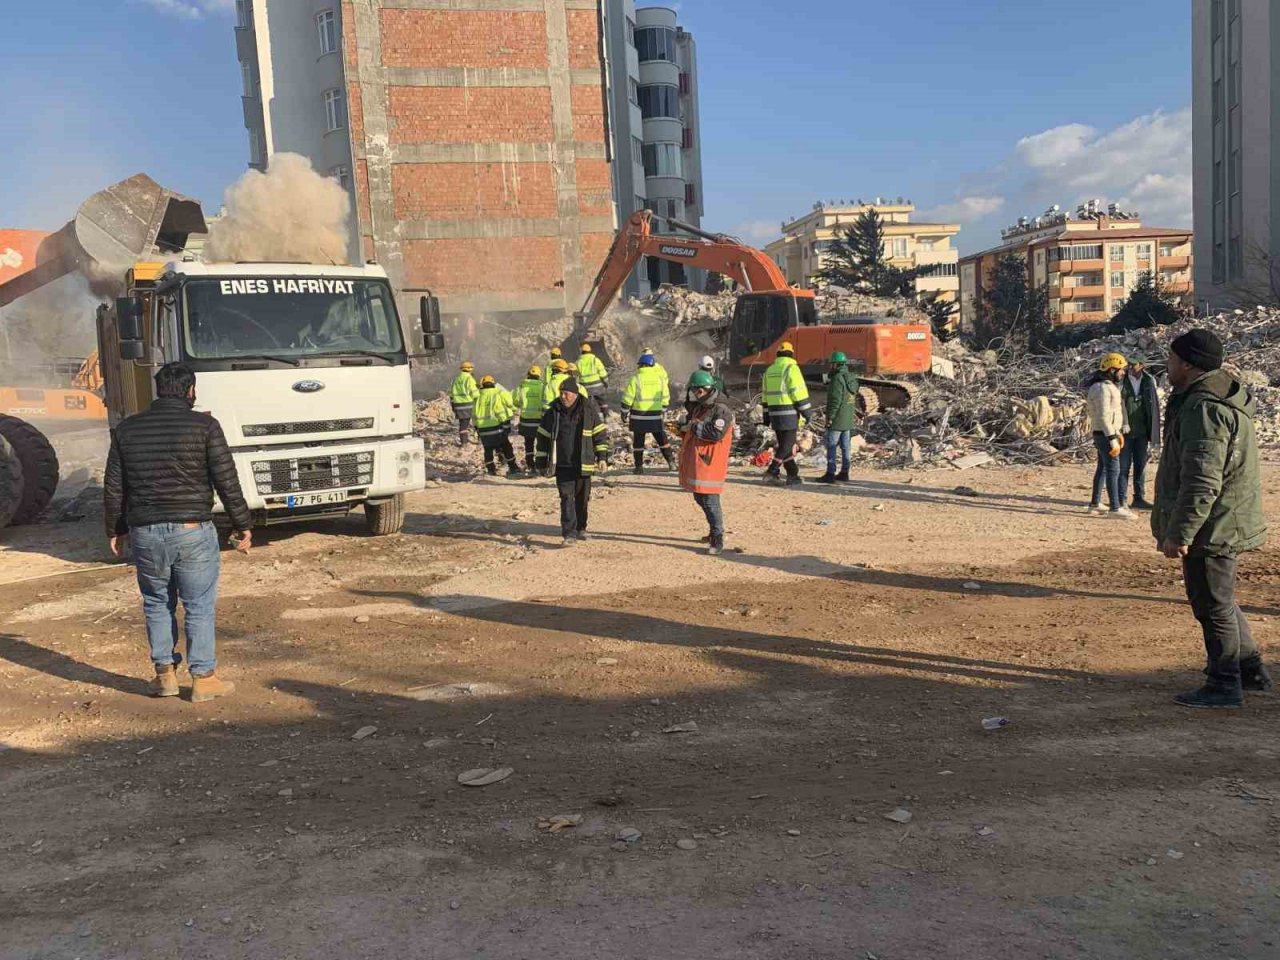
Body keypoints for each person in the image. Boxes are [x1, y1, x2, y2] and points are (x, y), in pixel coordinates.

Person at [103, 363, 251, 703]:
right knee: (198, 605)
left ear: (158, 391)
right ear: (191, 391)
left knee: (157, 603)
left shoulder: (127, 429)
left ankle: (165, 676)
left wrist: (116, 528)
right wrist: (242, 524)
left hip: (145, 533)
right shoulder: (205, 427)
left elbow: (114, 487)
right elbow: (226, 481)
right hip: (192, 530)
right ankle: (203, 679)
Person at [1153, 330, 1270, 709]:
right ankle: (1249, 667)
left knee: (1211, 604)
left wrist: (1180, 532)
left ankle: (1224, 682)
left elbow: (1203, 479)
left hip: (1213, 523)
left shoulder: (1204, 408)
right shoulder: (1209, 398)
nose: (1166, 365)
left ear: (1188, 363)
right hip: (1222, 518)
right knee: (1220, 600)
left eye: (1171, 358)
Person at [534, 378, 611, 546]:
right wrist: (540, 461)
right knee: (566, 498)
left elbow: (599, 434)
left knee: (582, 498)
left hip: (584, 463)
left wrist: (603, 457)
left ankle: (581, 528)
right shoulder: (553, 411)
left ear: (575, 394)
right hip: (562, 464)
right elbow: (542, 436)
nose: (563, 396)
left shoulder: (588, 409)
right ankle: (569, 534)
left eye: (566, 393)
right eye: (561, 393)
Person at [679, 370, 735, 555]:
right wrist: (682, 429)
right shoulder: (700, 407)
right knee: (699, 496)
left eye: (698, 391)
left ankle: (717, 538)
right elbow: (695, 427)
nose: (696, 394)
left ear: (707, 389)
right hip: (700, 460)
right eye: (694, 391)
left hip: (711, 461)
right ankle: (713, 530)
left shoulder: (721, 410)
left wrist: (693, 427)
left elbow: (715, 433)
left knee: (710, 500)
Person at [1086, 353, 1133, 518]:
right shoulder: (1103, 388)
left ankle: (1095, 503)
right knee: (1114, 469)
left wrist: (1117, 432)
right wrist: (1112, 438)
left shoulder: (1103, 386)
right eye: (1121, 370)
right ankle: (1115, 508)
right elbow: (1104, 415)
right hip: (1105, 434)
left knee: (1103, 468)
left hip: (1106, 433)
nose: (1123, 373)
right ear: (1112, 369)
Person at [762, 341, 813, 486]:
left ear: (777, 354)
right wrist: (807, 412)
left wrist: (766, 417)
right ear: (791, 354)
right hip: (789, 414)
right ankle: (771, 472)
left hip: (774, 413)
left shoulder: (769, 370)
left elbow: (765, 396)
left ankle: (792, 475)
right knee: (787, 445)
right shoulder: (791, 368)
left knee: (785, 446)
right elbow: (798, 392)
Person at [622, 352, 674, 474]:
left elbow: (628, 398)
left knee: (638, 443)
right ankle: (671, 463)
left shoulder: (636, 378)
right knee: (662, 440)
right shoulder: (660, 379)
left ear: (641, 365)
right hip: (655, 416)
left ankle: (639, 467)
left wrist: (624, 412)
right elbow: (666, 396)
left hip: (638, 416)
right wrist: (663, 410)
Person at [1120, 357, 1161, 509]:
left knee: (1140, 466)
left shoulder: (1148, 382)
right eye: (1129, 364)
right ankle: (1121, 499)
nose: (1130, 367)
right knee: (1123, 467)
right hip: (1125, 431)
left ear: (1142, 365)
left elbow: (1153, 408)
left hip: (1142, 431)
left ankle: (1139, 498)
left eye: (1134, 364)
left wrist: (1153, 434)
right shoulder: (1122, 380)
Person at [818, 351, 858, 484]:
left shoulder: (837, 379)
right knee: (846, 447)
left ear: (835, 364)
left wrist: (830, 417)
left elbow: (835, 400)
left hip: (837, 419)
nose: (830, 366)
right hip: (847, 418)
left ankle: (830, 473)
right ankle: (844, 473)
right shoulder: (851, 377)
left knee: (831, 446)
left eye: (831, 364)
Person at [474, 375, 520, 477]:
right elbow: (499, 411)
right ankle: (513, 467)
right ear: (493, 383)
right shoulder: (496, 394)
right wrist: (504, 424)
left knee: (488, 450)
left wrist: (477, 428)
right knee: (506, 446)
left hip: (483, 430)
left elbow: (474, 414)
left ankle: (491, 470)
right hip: (496, 429)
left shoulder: (478, 397)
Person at [516, 365, 545, 473]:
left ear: (528, 374)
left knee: (528, 443)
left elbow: (515, 401)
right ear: (539, 375)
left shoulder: (522, 386)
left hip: (526, 420)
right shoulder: (543, 386)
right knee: (541, 442)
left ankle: (530, 464)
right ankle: (540, 464)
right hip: (540, 420)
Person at [449, 361, 480, 446]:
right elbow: (475, 393)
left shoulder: (455, 379)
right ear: (470, 369)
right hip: (469, 405)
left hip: (458, 405)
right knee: (477, 422)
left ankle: (464, 442)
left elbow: (451, 394)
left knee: (463, 424)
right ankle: (481, 440)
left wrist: (453, 405)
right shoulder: (469, 379)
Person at [576, 344, 611, 416]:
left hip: (585, 387)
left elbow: (576, 377)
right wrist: (606, 383)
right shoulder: (595, 360)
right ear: (590, 351)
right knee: (602, 401)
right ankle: (605, 415)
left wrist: (578, 388)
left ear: (581, 352)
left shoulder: (577, 362)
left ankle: (589, 417)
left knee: (586, 403)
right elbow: (602, 373)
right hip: (597, 386)